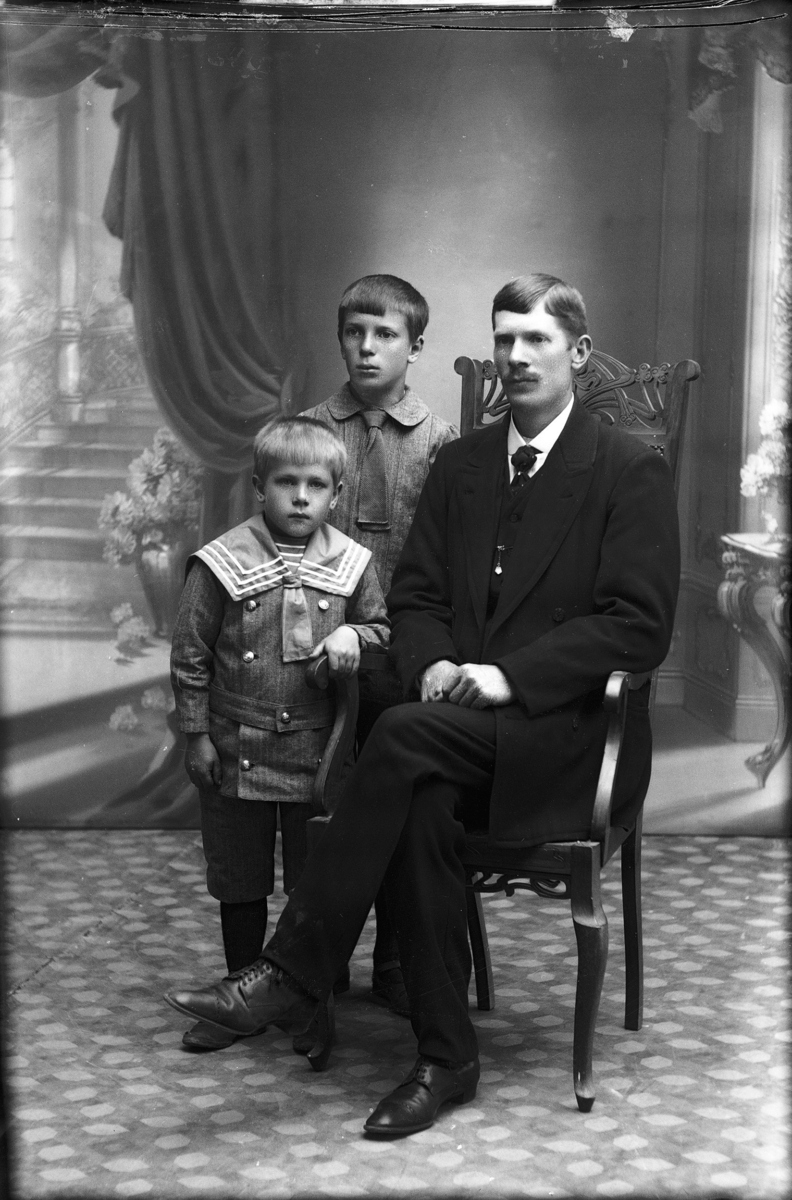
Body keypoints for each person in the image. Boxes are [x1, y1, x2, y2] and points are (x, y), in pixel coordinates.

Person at [164, 274, 680, 1136]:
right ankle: (447, 1059)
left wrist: (509, 678)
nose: (516, 356)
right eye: (504, 338)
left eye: (537, 339)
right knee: (420, 794)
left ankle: (290, 971)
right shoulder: (463, 463)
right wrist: (435, 659)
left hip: (570, 738)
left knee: (401, 738)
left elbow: (640, 627)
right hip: (457, 734)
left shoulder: (628, 468)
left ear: (579, 353)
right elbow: (417, 596)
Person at [169, 416, 388, 1052]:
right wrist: (196, 736)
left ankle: (306, 997)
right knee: (239, 879)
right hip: (233, 746)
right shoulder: (221, 563)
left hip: (318, 753)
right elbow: (190, 656)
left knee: (311, 881)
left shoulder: (352, 565)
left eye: (315, 485)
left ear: (335, 496)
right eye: (286, 482)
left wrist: (353, 632)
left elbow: (383, 630)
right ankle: (237, 1000)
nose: (300, 497)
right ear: (259, 486)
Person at [301, 274, 458, 1017]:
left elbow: (448, 558)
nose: (367, 348)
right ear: (340, 338)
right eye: (354, 333)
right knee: (320, 798)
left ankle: (396, 960)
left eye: (386, 335)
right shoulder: (309, 430)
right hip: (317, 650)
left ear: (415, 348)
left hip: (403, 651)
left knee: (402, 795)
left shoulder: (439, 440)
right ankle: (320, 959)